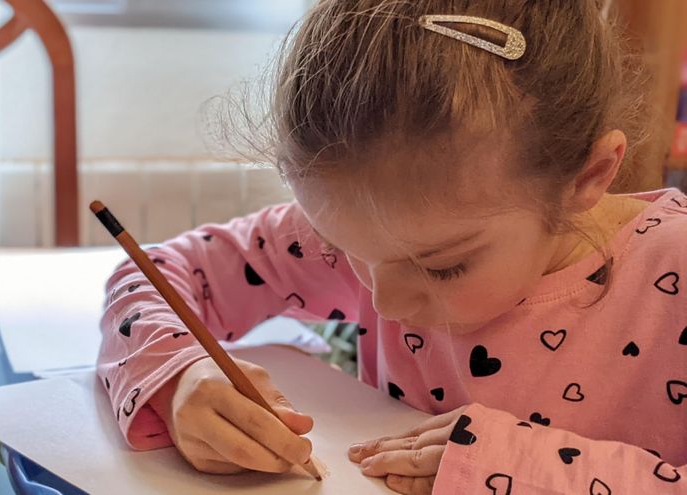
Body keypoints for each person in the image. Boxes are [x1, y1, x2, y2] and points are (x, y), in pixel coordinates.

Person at [98, 1, 687, 493]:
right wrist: (180, 376)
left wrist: (533, 474)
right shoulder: (382, 227)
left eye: (443, 266)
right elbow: (155, 273)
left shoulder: (673, 270)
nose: (383, 302)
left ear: (587, 177)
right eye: (341, 244)